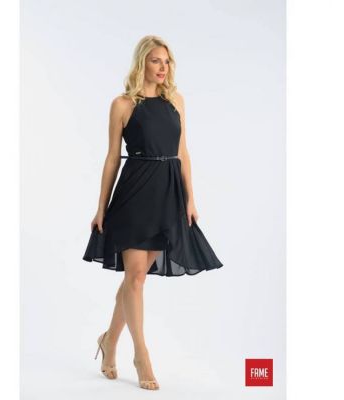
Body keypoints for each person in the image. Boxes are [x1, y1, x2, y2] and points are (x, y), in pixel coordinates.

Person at [83, 35, 224, 390]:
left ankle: (109, 340)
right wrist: (100, 207)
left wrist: (190, 199)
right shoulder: (122, 104)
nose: (163, 67)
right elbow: (112, 158)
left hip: (168, 195)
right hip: (134, 193)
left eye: (167, 61)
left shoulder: (176, 101)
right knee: (135, 277)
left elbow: (183, 152)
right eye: (156, 60)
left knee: (137, 277)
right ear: (142, 63)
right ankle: (141, 354)